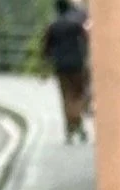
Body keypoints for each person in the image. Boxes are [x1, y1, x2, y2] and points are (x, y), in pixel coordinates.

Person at [41, 0, 89, 143]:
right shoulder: (76, 25)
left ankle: (70, 127)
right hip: (77, 64)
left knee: (66, 97)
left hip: (60, 66)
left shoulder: (52, 27)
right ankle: (76, 122)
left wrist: (44, 65)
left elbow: (46, 48)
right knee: (79, 95)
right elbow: (85, 40)